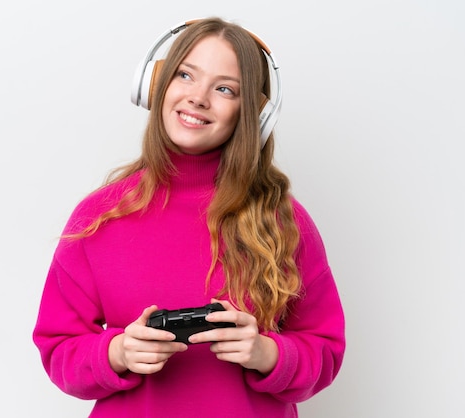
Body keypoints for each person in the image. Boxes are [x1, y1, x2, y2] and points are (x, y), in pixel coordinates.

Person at [33, 17, 345, 418]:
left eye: (224, 88)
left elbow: (326, 350)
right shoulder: (98, 216)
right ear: (155, 85)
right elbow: (58, 349)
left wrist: (268, 352)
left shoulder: (283, 221)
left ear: (251, 113)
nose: (198, 98)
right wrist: (117, 351)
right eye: (185, 75)